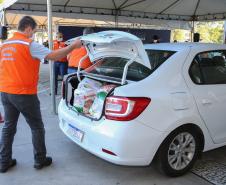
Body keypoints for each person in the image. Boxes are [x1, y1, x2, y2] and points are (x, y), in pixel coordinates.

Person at [0, 16, 82, 173]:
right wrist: (73, 47)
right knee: (36, 126)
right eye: (34, 31)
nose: (33, 34)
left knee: (8, 127)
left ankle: (3, 162)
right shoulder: (28, 44)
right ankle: (40, 159)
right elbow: (54, 56)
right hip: (24, 93)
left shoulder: (5, 45)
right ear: (28, 28)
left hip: (5, 91)